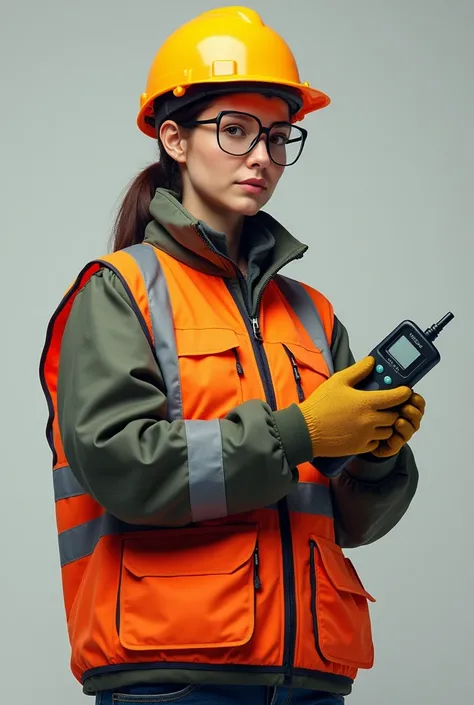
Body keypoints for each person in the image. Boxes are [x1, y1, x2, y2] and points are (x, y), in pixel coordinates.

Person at [39, 6, 425, 705]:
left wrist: (376, 455)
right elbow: (127, 468)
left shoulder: (313, 312)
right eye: (236, 130)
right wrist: (305, 431)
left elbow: (348, 521)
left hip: (309, 680)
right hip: (174, 675)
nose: (263, 157)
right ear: (175, 139)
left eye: (279, 136)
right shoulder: (120, 291)